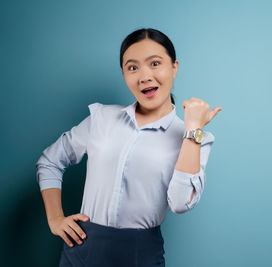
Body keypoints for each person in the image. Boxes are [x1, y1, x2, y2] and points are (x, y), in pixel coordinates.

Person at [35, 28, 222, 267]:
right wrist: (55, 219)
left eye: (155, 63)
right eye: (132, 67)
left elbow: (179, 203)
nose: (144, 76)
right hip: (81, 251)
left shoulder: (194, 139)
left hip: (140, 255)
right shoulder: (101, 118)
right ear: (124, 73)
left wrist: (193, 128)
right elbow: (50, 161)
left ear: (174, 67)